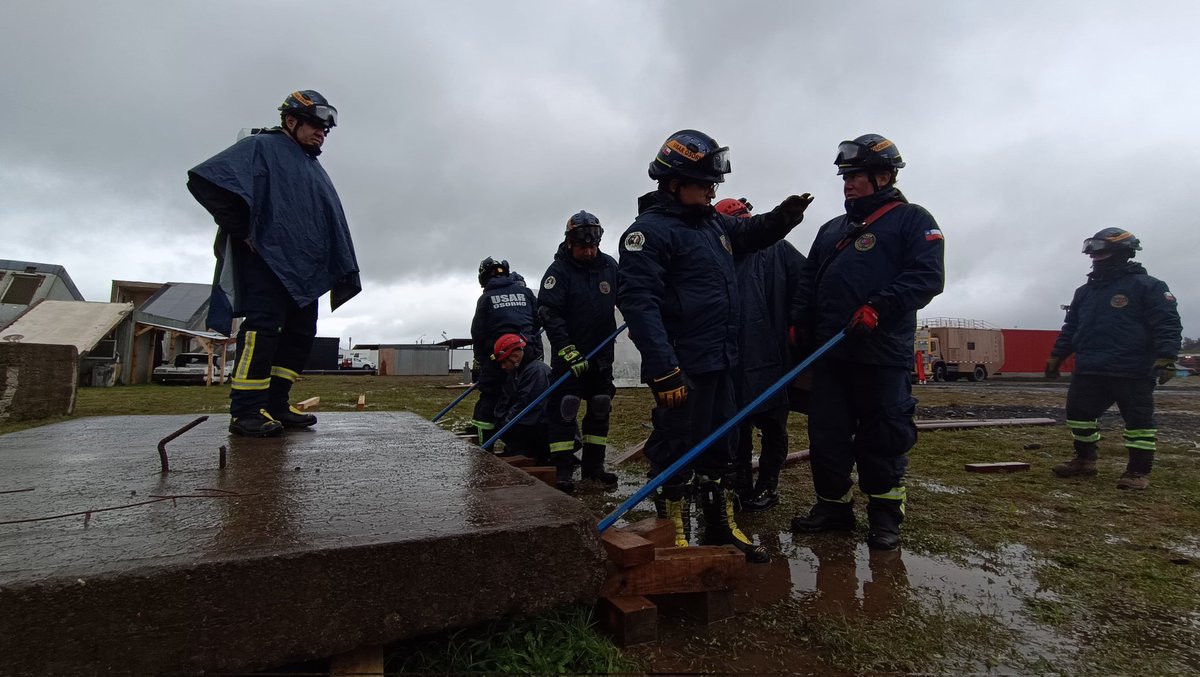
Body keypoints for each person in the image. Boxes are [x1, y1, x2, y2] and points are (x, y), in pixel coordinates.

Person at [618, 129, 814, 563]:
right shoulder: (647, 235)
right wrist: (663, 369)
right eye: (705, 184)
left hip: (723, 360)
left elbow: (753, 233)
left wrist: (784, 216)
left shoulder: (711, 224)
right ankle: (673, 533)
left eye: (714, 185)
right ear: (674, 183)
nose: (712, 191)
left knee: (722, 447)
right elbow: (640, 305)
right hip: (682, 366)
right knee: (676, 448)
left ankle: (720, 527)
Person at [789, 134, 945, 551]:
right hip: (832, 357)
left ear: (884, 176)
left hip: (881, 356)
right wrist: (798, 324)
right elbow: (809, 282)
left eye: (857, 176)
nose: (848, 184)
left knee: (884, 437)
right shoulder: (831, 230)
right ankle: (833, 508)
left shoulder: (912, 220)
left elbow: (927, 276)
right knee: (827, 436)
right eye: (846, 176)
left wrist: (879, 306)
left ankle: (884, 516)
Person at [187, 90, 361, 437]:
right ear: (291, 120)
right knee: (263, 331)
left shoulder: (311, 166)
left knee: (300, 334)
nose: (320, 134)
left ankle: (276, 403)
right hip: (270, 264)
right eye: (314, 125)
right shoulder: (262, 147)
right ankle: (246, 411)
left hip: (305, 270)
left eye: (325, 130)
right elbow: (206, 180)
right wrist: (244, 229)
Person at [1045, 228, 1182, 490]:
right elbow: (1071, 328)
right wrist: (1057, 355)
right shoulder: (1084, 292)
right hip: (1090, 368)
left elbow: (1167, 324)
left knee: (1139, 424)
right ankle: (1085, 461)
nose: (1095, 257)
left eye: (1101, 250)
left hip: (1132, 369)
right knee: (1078, 415)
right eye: (1092, 252)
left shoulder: (1149, 287)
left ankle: (1137, 472)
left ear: (1123, 252)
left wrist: (1166, 356)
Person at [715, 197, 806, 513]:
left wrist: (798, 325)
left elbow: (806, 284)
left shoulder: (779, 250)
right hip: (733, 360)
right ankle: (740, 487)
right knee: (736, 429)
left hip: (773, 357)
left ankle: (767, 486)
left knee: (773, 427)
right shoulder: (717, 256)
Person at [538, 211, 620, 493]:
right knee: (566, 407)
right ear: (570, 243)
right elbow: (549, 313)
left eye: (593, 246)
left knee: (600, 405)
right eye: (583, 246)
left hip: (601, 354)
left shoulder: (609, 266)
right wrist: (567, 350)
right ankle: (563, 470)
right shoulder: (558, 272)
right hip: (569, 356)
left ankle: (594, 467)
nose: (589, 251)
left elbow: (630, 297)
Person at [471, 258, 540, 445]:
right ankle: (521, 443)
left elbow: (478, 332)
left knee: (490, 395)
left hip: (497, 356)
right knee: (526, 394)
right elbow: (537, 321)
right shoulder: (525, 292)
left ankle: (486, 445)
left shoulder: (486, 298)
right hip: (526, 351)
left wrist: (480, 361)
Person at [491, 333, 553, 462]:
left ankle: (533, 455)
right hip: (524, 430)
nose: (502, 367)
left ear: (515, 356)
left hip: (539, 431)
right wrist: (500, 422)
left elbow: (526, 406)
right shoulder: (516, 373)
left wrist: (505, 426)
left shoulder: (537, 372)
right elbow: (505, 400)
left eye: (504, 361)